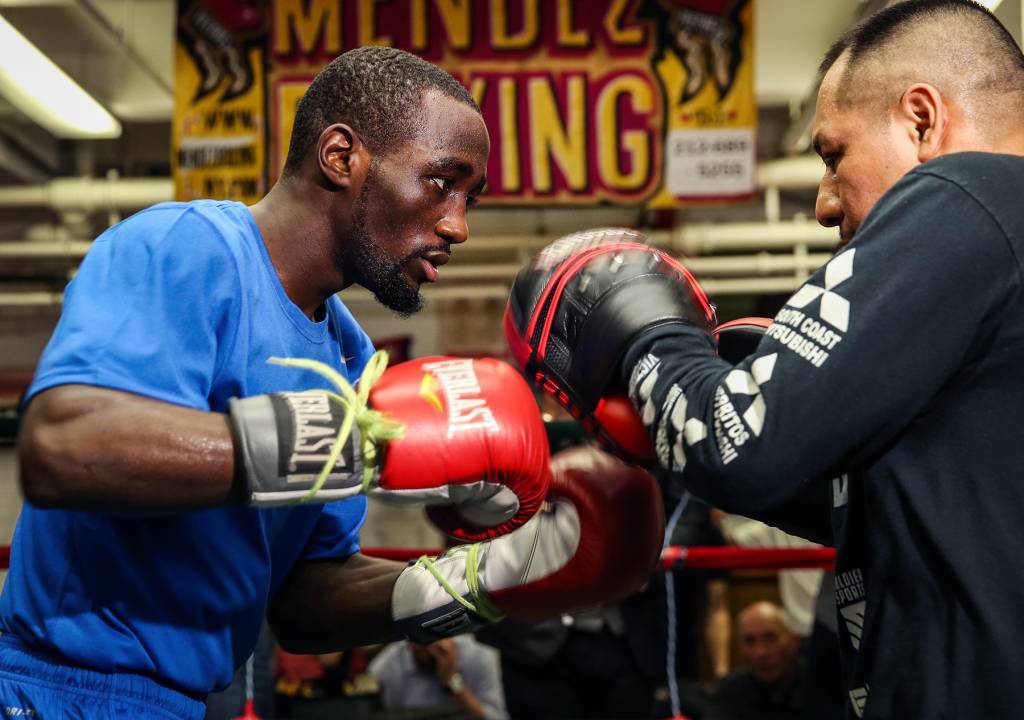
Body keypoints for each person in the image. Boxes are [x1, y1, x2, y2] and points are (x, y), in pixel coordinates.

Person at [0, 47, 663, 719]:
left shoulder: (345, 351)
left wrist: (475, 581)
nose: (458, 224)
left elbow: (301, 603)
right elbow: (63, 447)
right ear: (342, 156)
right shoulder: (190, 246)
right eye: (441, 182)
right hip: (60, 690)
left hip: (194, 702)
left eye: (470, 197)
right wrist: (356, 448)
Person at [506, 1, 1024, 716]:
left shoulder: (968, 191)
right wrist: (706, 401)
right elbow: (878, 504)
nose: (823, 202)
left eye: (833, 154)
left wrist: (643, 335)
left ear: (922, 121)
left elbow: (743, 444)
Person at [705, 601, 804, 720]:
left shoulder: (819, 687)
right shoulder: (731, 692)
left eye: (771, 638)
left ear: (794, 640)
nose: (760, 652)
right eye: (750, 641)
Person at [368, 636, 508, 720]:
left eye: (436, 644)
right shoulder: (387, 668)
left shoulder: (478, 656)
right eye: (421, 641)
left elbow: (496, 717)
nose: (429, 650)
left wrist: (452, 681)